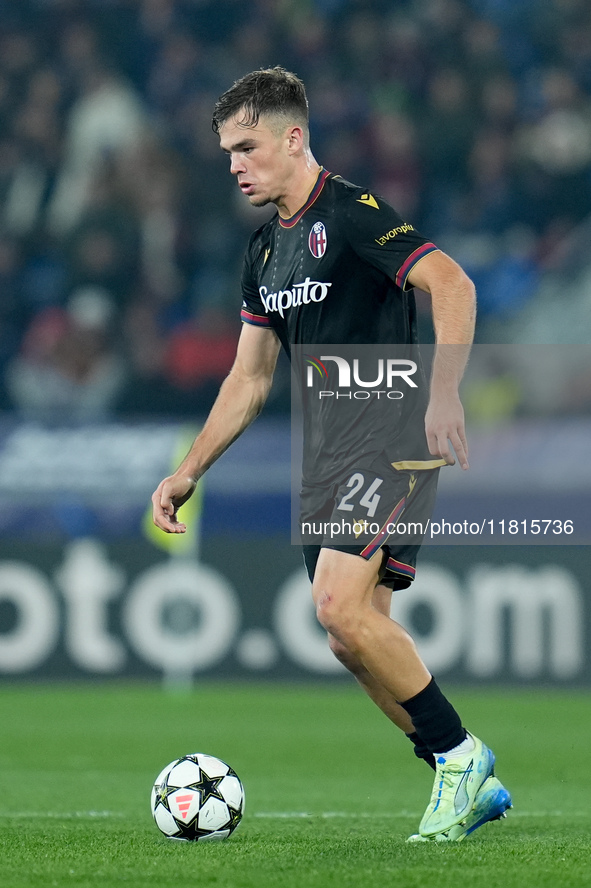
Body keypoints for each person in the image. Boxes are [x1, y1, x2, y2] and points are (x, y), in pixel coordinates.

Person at [151, 67, 512, 841]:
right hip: (325, 457)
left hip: (386, 435)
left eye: (246, 146)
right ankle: (461, 777)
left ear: (292, 137)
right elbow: (246, 380)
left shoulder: (347, 215)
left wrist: (444, 391)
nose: (235, 165)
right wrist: (188, 470)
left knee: (336, 608)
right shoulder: (262, 251)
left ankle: (459, 756)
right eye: (225, 154)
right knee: (352, 637)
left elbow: (450, 284)